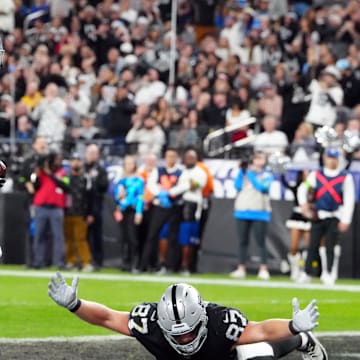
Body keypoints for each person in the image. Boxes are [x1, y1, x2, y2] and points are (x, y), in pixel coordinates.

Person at [48, 273, 328, 360]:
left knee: (257, 355)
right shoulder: (150, 323)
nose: (184, 338)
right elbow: (109, 317)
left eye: (189, 332)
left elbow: (263, 331)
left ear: (203, 320)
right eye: (177, 334)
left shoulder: (221, 322)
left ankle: (304, 340)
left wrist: (293, 327)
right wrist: (75, 305)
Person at [297, 148, 355, 285]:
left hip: (334, 215)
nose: (332, 160)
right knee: (312, 245)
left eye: (334, 158)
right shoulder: (316, 175)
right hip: (318, 215)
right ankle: (306, 272)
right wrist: (303, 204)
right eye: (330, 157)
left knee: (330, 246)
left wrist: (346, 219)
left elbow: (349, 199)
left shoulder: (345, 177)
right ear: (325, 158)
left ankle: (329, 272)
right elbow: (303, 188)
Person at [230, 152, 274, 280]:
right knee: (242, 241)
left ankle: (264, 268)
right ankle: (241, 268)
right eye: (255, 158)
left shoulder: (267, 175)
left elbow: (261, 187)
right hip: (242, 210)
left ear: (265, 161)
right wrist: (242, 172)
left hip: (260, 212)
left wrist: (250, 174)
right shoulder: (244, 174)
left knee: (261, 241)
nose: (257, 160)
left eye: (260, 157)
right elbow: (237, 186)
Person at [32, 151, 69, 269]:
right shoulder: (40, 174)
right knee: (39, 235)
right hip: (41, 207)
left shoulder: (62, 173)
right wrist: (38, 174)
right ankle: (38, 261)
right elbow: (35, 186)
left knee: (58, 236)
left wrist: (50, 174)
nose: (58, 162)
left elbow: (66, 187)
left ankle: (60, 262)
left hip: (56, 208)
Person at [113, 155, 144, 273]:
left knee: (133, 237)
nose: (129, 166)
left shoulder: (138, 180)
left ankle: (135, 263)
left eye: (131, 163)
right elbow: (116, 197)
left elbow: (140, 197)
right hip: (122, 210)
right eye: (127, 163)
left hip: (132, 209)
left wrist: (139, 212)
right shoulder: (121, 181)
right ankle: (125, 262)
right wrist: (119, 197)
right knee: (124, 237)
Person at [64, 153, 95, 272]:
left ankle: (86, 262)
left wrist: (90, 213)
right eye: (73, 160)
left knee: (81, 238)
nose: (76, 163)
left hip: (81, 213)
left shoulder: (86, 178)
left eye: (78, 160)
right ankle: (70, 261)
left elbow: (91, 196)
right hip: (67, 211)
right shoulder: (65, 177)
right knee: (68, 238)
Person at [281, 170, 311, 281]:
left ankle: (305, 270)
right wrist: (281, 172)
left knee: (310, 246)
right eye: (305, 173)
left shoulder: (313, 187)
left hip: (309, 217)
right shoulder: (297, 187)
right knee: (294, 246)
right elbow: (285, 184)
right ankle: (295, 269)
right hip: (297, 216)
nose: (307, 175)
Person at [84, 144, 109, 270]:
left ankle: (98, 261)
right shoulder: (82, 168)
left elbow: (104, 186)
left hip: (96, 206)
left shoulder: (100, 170)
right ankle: (85, 260)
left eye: (95, 153)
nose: (92, 155)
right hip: (82, 207)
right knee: (83, 236)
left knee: (96, 235)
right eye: (90, 153)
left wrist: (95, 179)